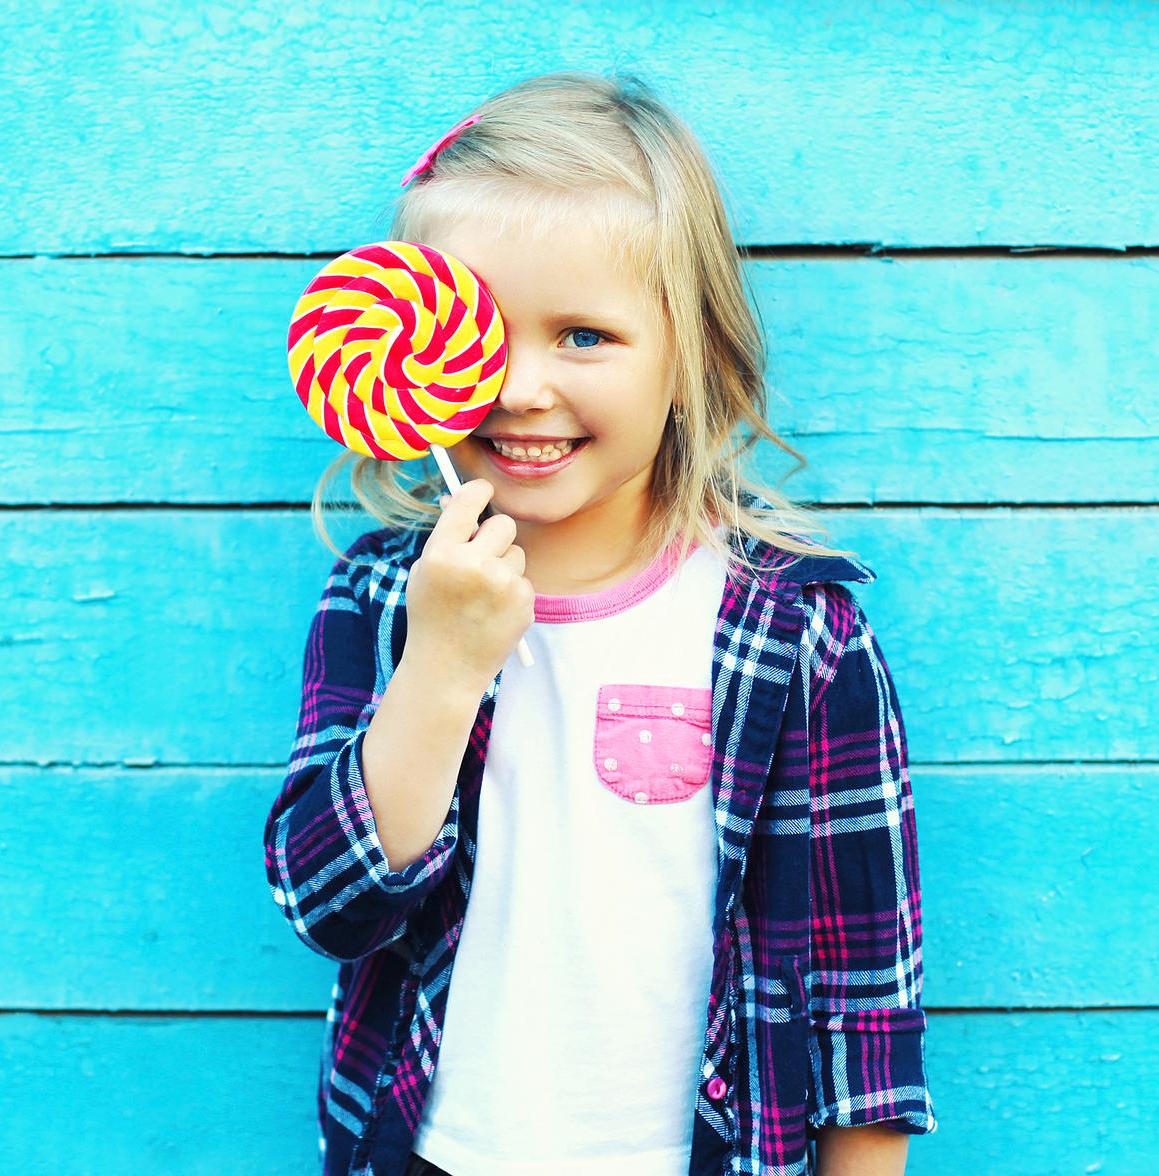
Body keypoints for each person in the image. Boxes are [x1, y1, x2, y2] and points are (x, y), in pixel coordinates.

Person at [264, 70, 936, 1176]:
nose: (521, 388)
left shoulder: (795, 636)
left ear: (692, 354)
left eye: (583, 335)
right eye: (479, 333)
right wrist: (441, 667)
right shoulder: (381, 599)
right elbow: (327, 903)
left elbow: (864, 996)